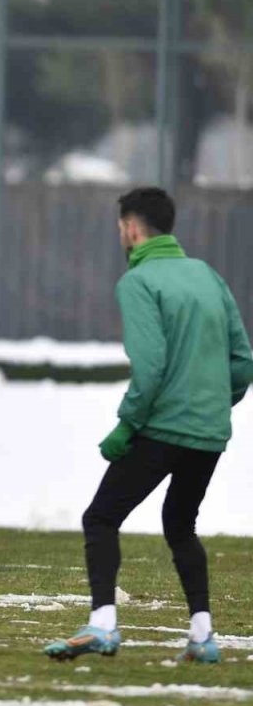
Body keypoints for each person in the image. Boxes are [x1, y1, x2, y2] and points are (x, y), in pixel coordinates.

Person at [45, 187, 253, 664]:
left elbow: (151, 366)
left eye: (121, 229)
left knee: (101, 517)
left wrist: (127, 425)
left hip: (161, 428)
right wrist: (213, 405)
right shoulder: (208, 276)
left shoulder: (139, 282)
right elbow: (242, 364)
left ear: (132, 229)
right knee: (181, 525)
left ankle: (102, 626)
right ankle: (202, 636)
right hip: (209, 433)